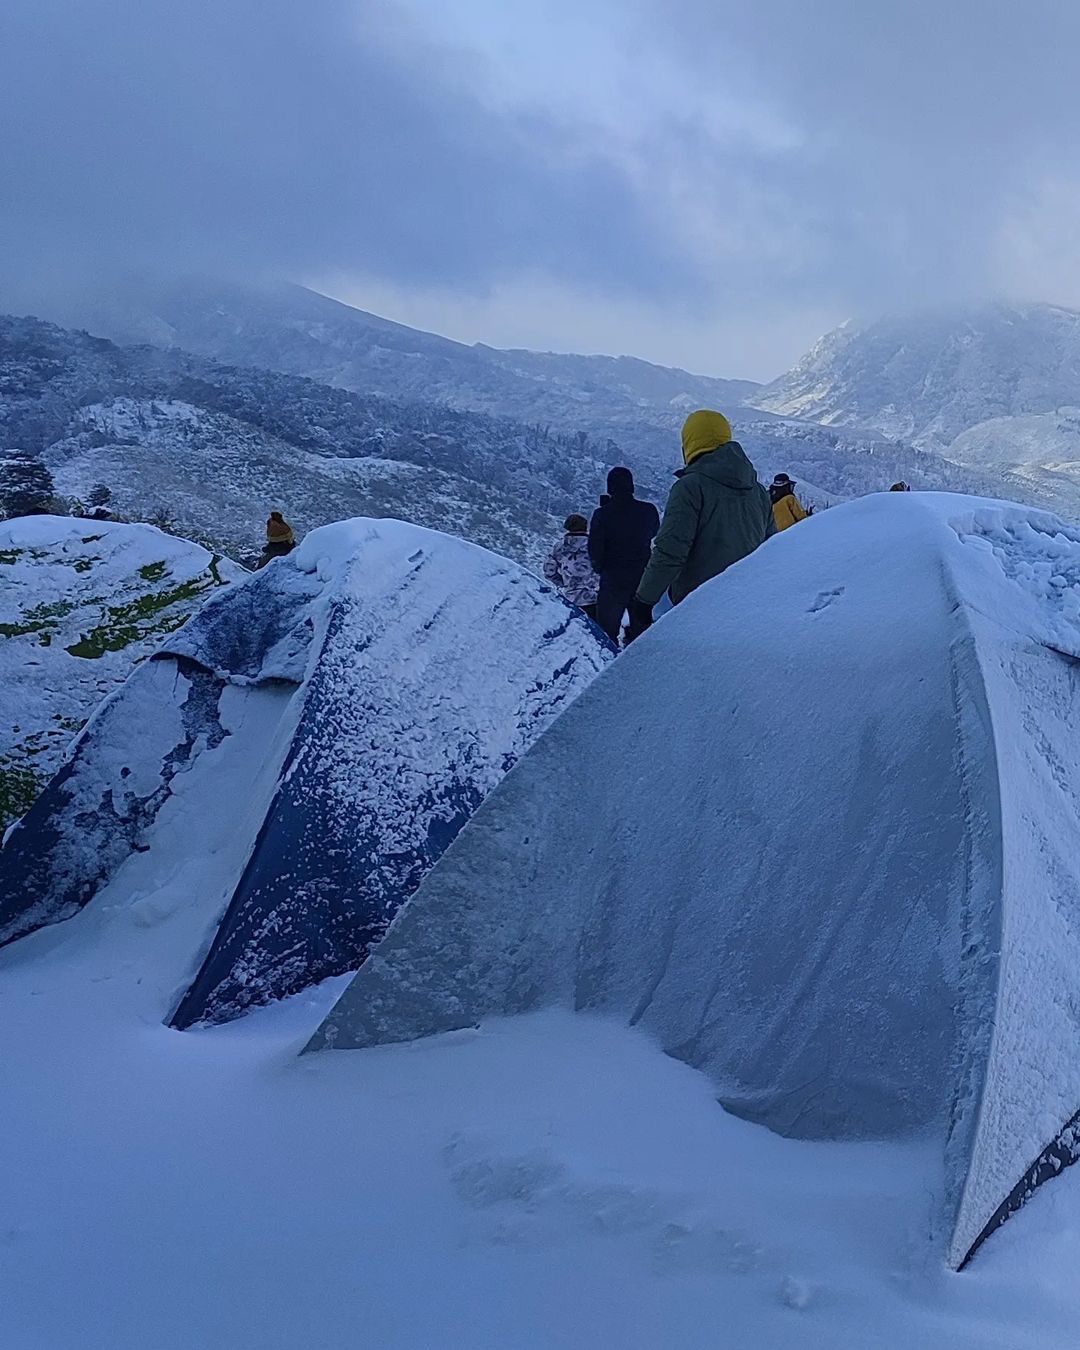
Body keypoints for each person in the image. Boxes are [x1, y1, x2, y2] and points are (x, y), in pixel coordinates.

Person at [634, 410, 774, 624]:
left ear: (689, 443)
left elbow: (670, 552)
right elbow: (772, 549)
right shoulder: (758, 491)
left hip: (698, 606)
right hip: (748, 605)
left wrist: (643, 603)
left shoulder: (690, 488)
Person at [588, 467, 660, 644]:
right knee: (642, 631)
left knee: (606, 633)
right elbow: (654, 532)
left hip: (613, 577)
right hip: (642, 576)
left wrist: (600, 568)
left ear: (610, 488)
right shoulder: (648, 510)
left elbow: (595, 548)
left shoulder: (602, 514)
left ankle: (609, 665)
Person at [543, 514, 598, 619]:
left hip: (571, 597)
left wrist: (563, 583)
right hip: (595, 597)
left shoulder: (559, 546)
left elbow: (549, 570)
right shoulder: (594, 545)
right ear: (586, 527)